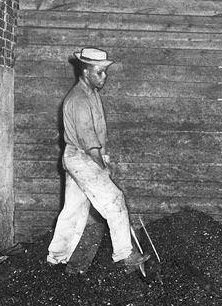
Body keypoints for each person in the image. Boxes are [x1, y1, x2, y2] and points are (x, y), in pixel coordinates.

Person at [46, 47, 150, 273]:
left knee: (73, 209)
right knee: (114, 200)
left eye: (105, 72)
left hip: (79, 157)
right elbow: (89, 142)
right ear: (85, 72)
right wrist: (102, 167)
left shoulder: (91, 94)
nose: (104, 77)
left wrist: (102, 158)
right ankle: (125, 253)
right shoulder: (79, 100)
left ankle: (56, 256)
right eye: (99, 72)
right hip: (83, 157)